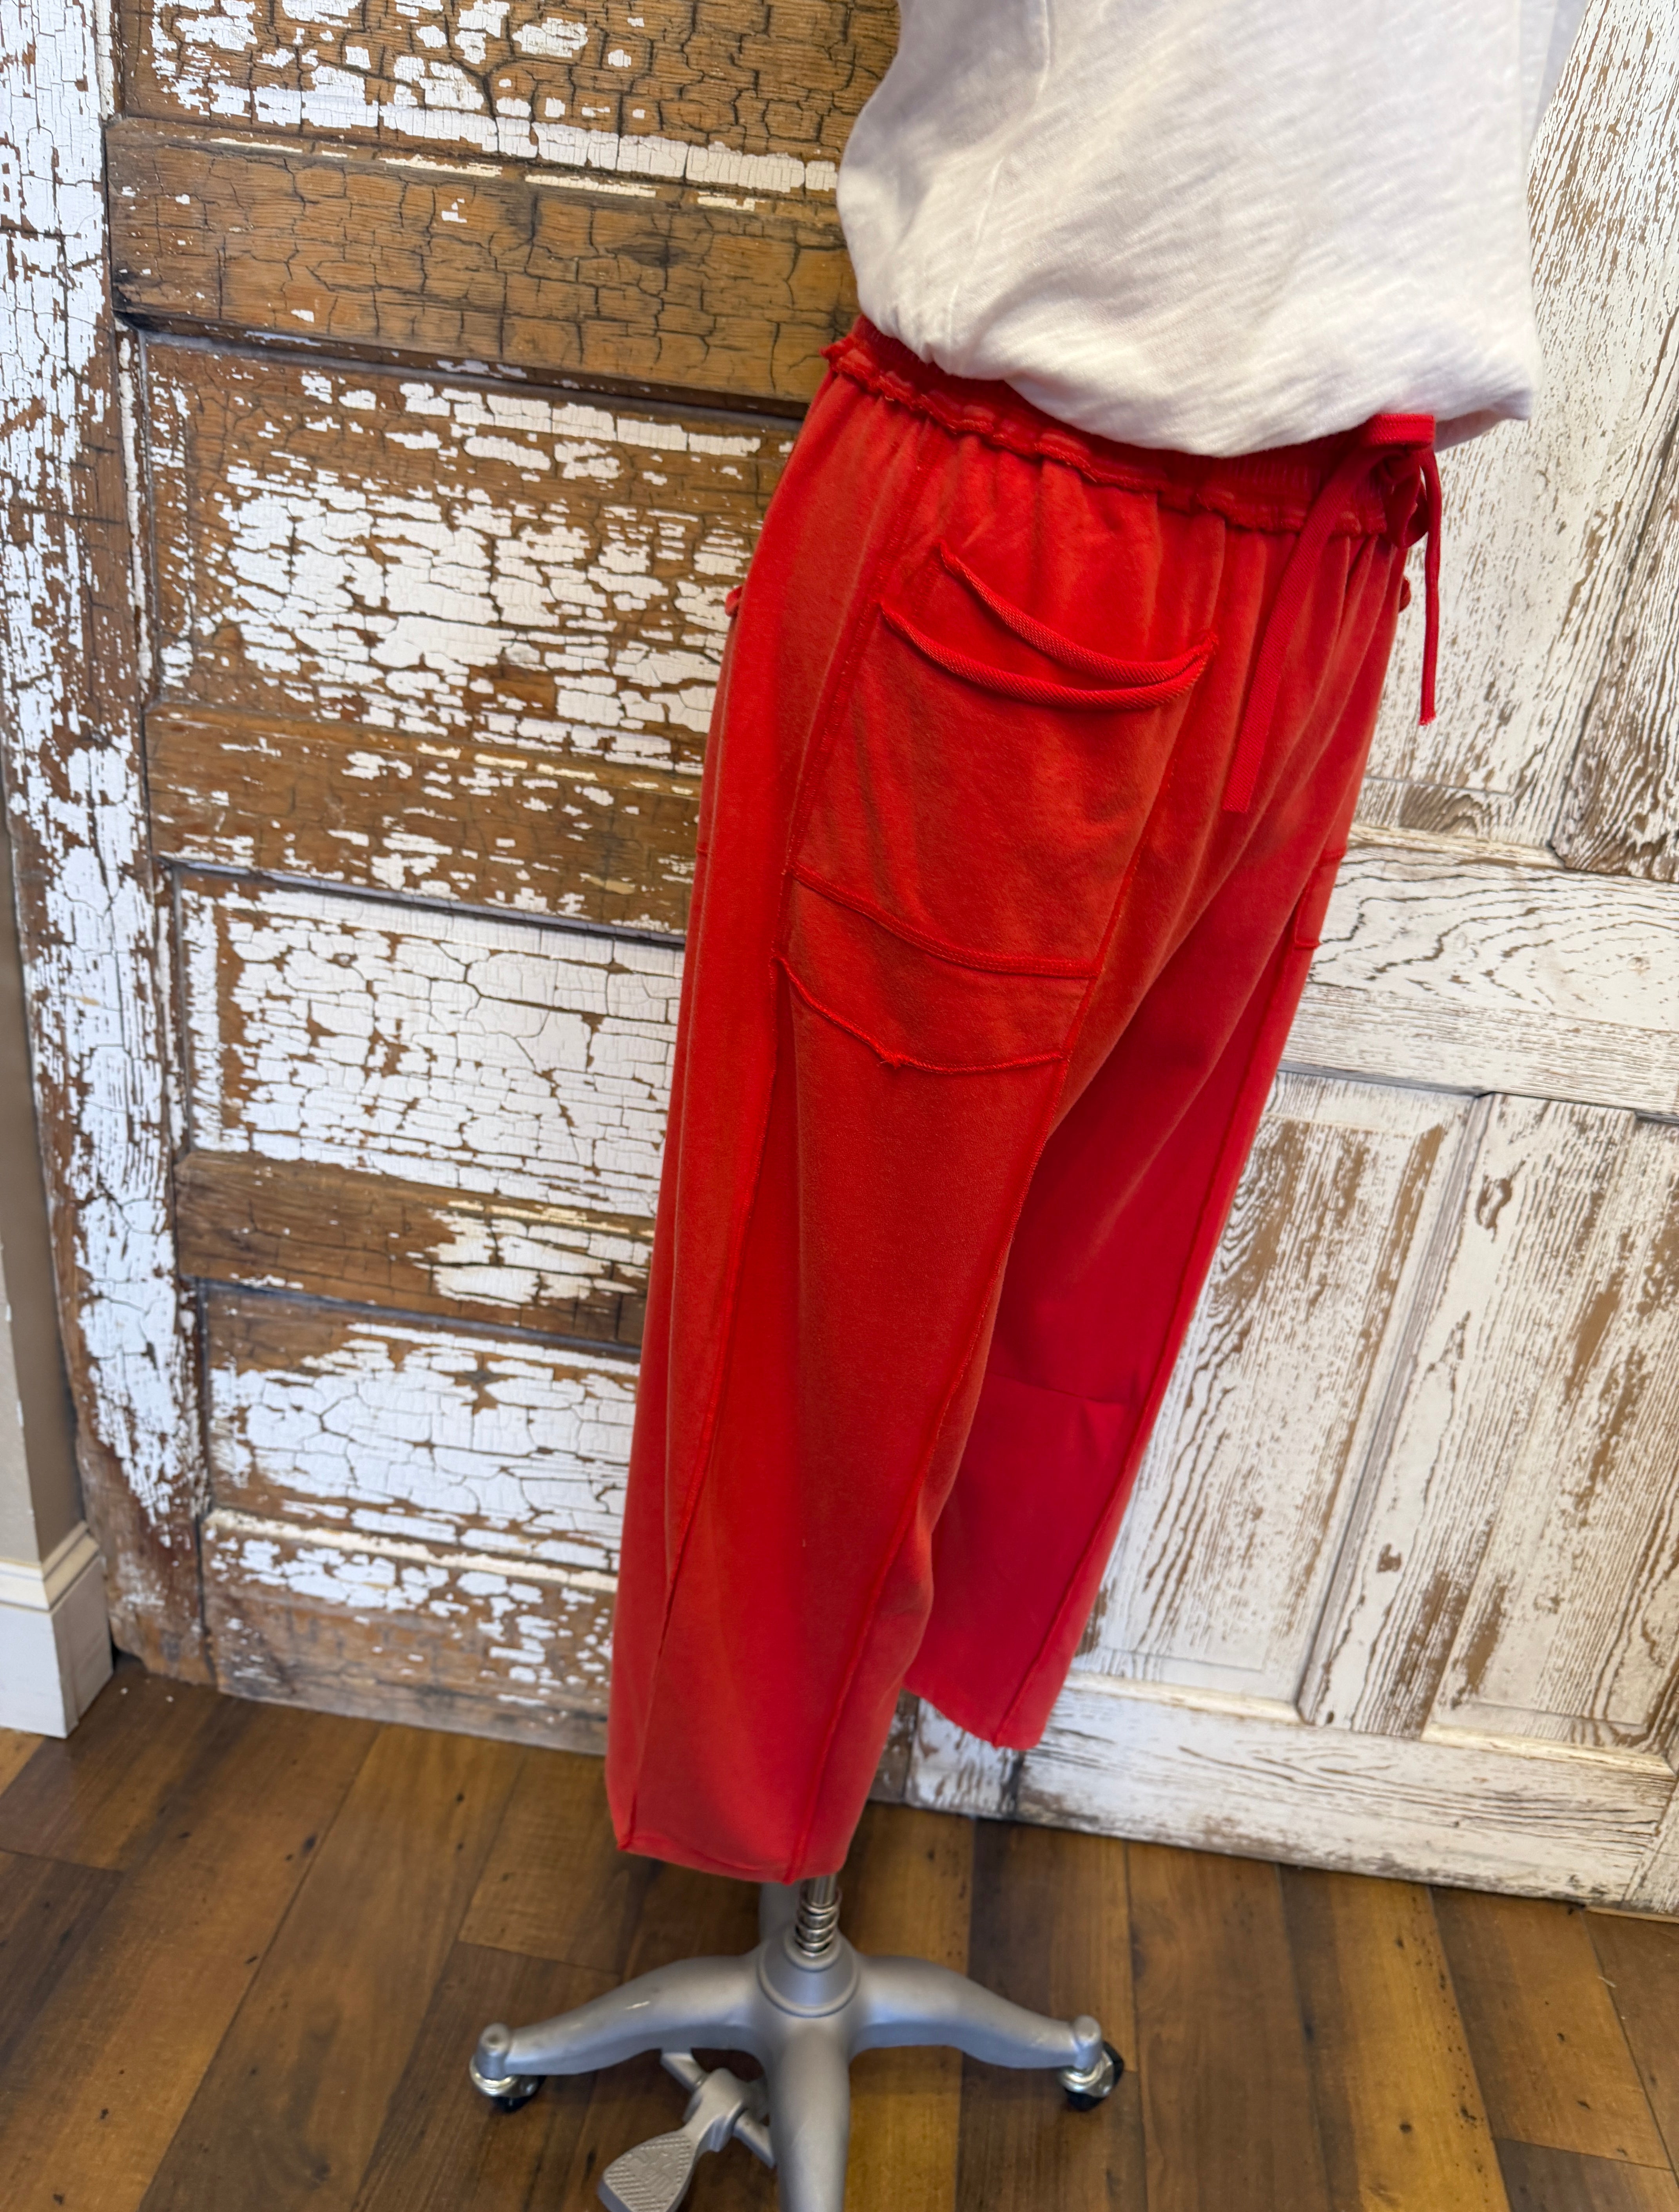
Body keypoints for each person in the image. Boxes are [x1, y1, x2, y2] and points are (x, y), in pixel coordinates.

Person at [604, 0, 1589, 1884]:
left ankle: (914, 1712)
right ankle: (752, 1821)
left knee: (1108, 1238)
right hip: (1018, 513)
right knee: (840, 1285)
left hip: (1329, 533)